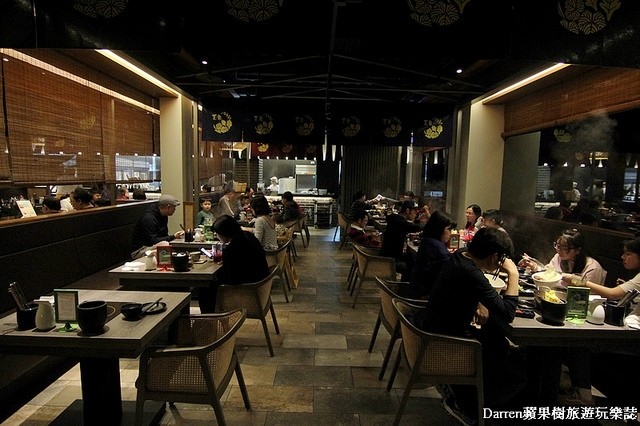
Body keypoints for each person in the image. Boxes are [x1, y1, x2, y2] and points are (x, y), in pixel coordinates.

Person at [414, 227, 524, 424]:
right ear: (494, 256)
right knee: (514, 368)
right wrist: (513, 274)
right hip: (446, 341)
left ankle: (468, 397)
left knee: (498, 342)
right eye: (501, 259)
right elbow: (508, 313)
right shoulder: (471, 272)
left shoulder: (461, 255)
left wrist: (479, 302)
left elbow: (467, 286)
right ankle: (468, 406)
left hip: (433, 328)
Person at [198, 215, 269, 313]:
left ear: (224, 233)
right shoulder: (247, 236)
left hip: (249, 284)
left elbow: (231, 272)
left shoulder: (236, 245)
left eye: (217, 234)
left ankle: (209, 318)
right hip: (259, 280)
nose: (217, 236)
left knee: (205, 286)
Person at [521, 228, 606, 285]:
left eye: (564, 248)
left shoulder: (592, 268)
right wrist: (534, 266)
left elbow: (585, 294)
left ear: (578, 250)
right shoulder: (558, 257)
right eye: (558, 246)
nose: (559, 250)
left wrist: (564, 277)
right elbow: (547, 273)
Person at [409, 210, 456, 298]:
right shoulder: (438, 247)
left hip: (417, 290)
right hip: (426, 297)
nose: (451, 233)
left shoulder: (427, 241)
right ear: (439, 229)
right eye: (449, 229)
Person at [130, 194, 184, 259]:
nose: (175, 210)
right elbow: (153, 240)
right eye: (174, 207)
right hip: (140, 250)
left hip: (152, 246)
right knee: (166, 246)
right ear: (168, 207)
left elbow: (164, 235)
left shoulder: (163, 215)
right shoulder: (149, 218)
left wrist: (173, 238)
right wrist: (173, 237)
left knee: (175, 251)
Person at [380, 200, 422, 281]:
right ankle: (404, 287)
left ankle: (404, 285)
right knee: (414, 266)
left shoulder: (395, 219)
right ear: (407, 210)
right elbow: (413, 227)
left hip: (391, 255)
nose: (416, 214)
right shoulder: (399, 221)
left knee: (412, 258)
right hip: (391, 260)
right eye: (414, 212)